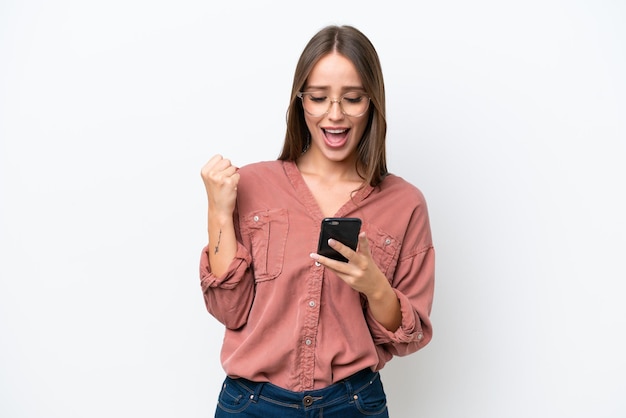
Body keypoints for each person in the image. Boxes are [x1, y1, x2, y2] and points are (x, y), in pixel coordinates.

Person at [199, 24, 435, 417]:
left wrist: (376, 288)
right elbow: (230, 310)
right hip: (252, 405)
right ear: (300, 101)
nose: (335, 114)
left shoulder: (405, 204)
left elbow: (405, 339)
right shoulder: (252, 185)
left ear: (373, 101)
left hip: (352, 404)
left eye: (353, 98)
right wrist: (218, 211)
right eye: (320, 98)